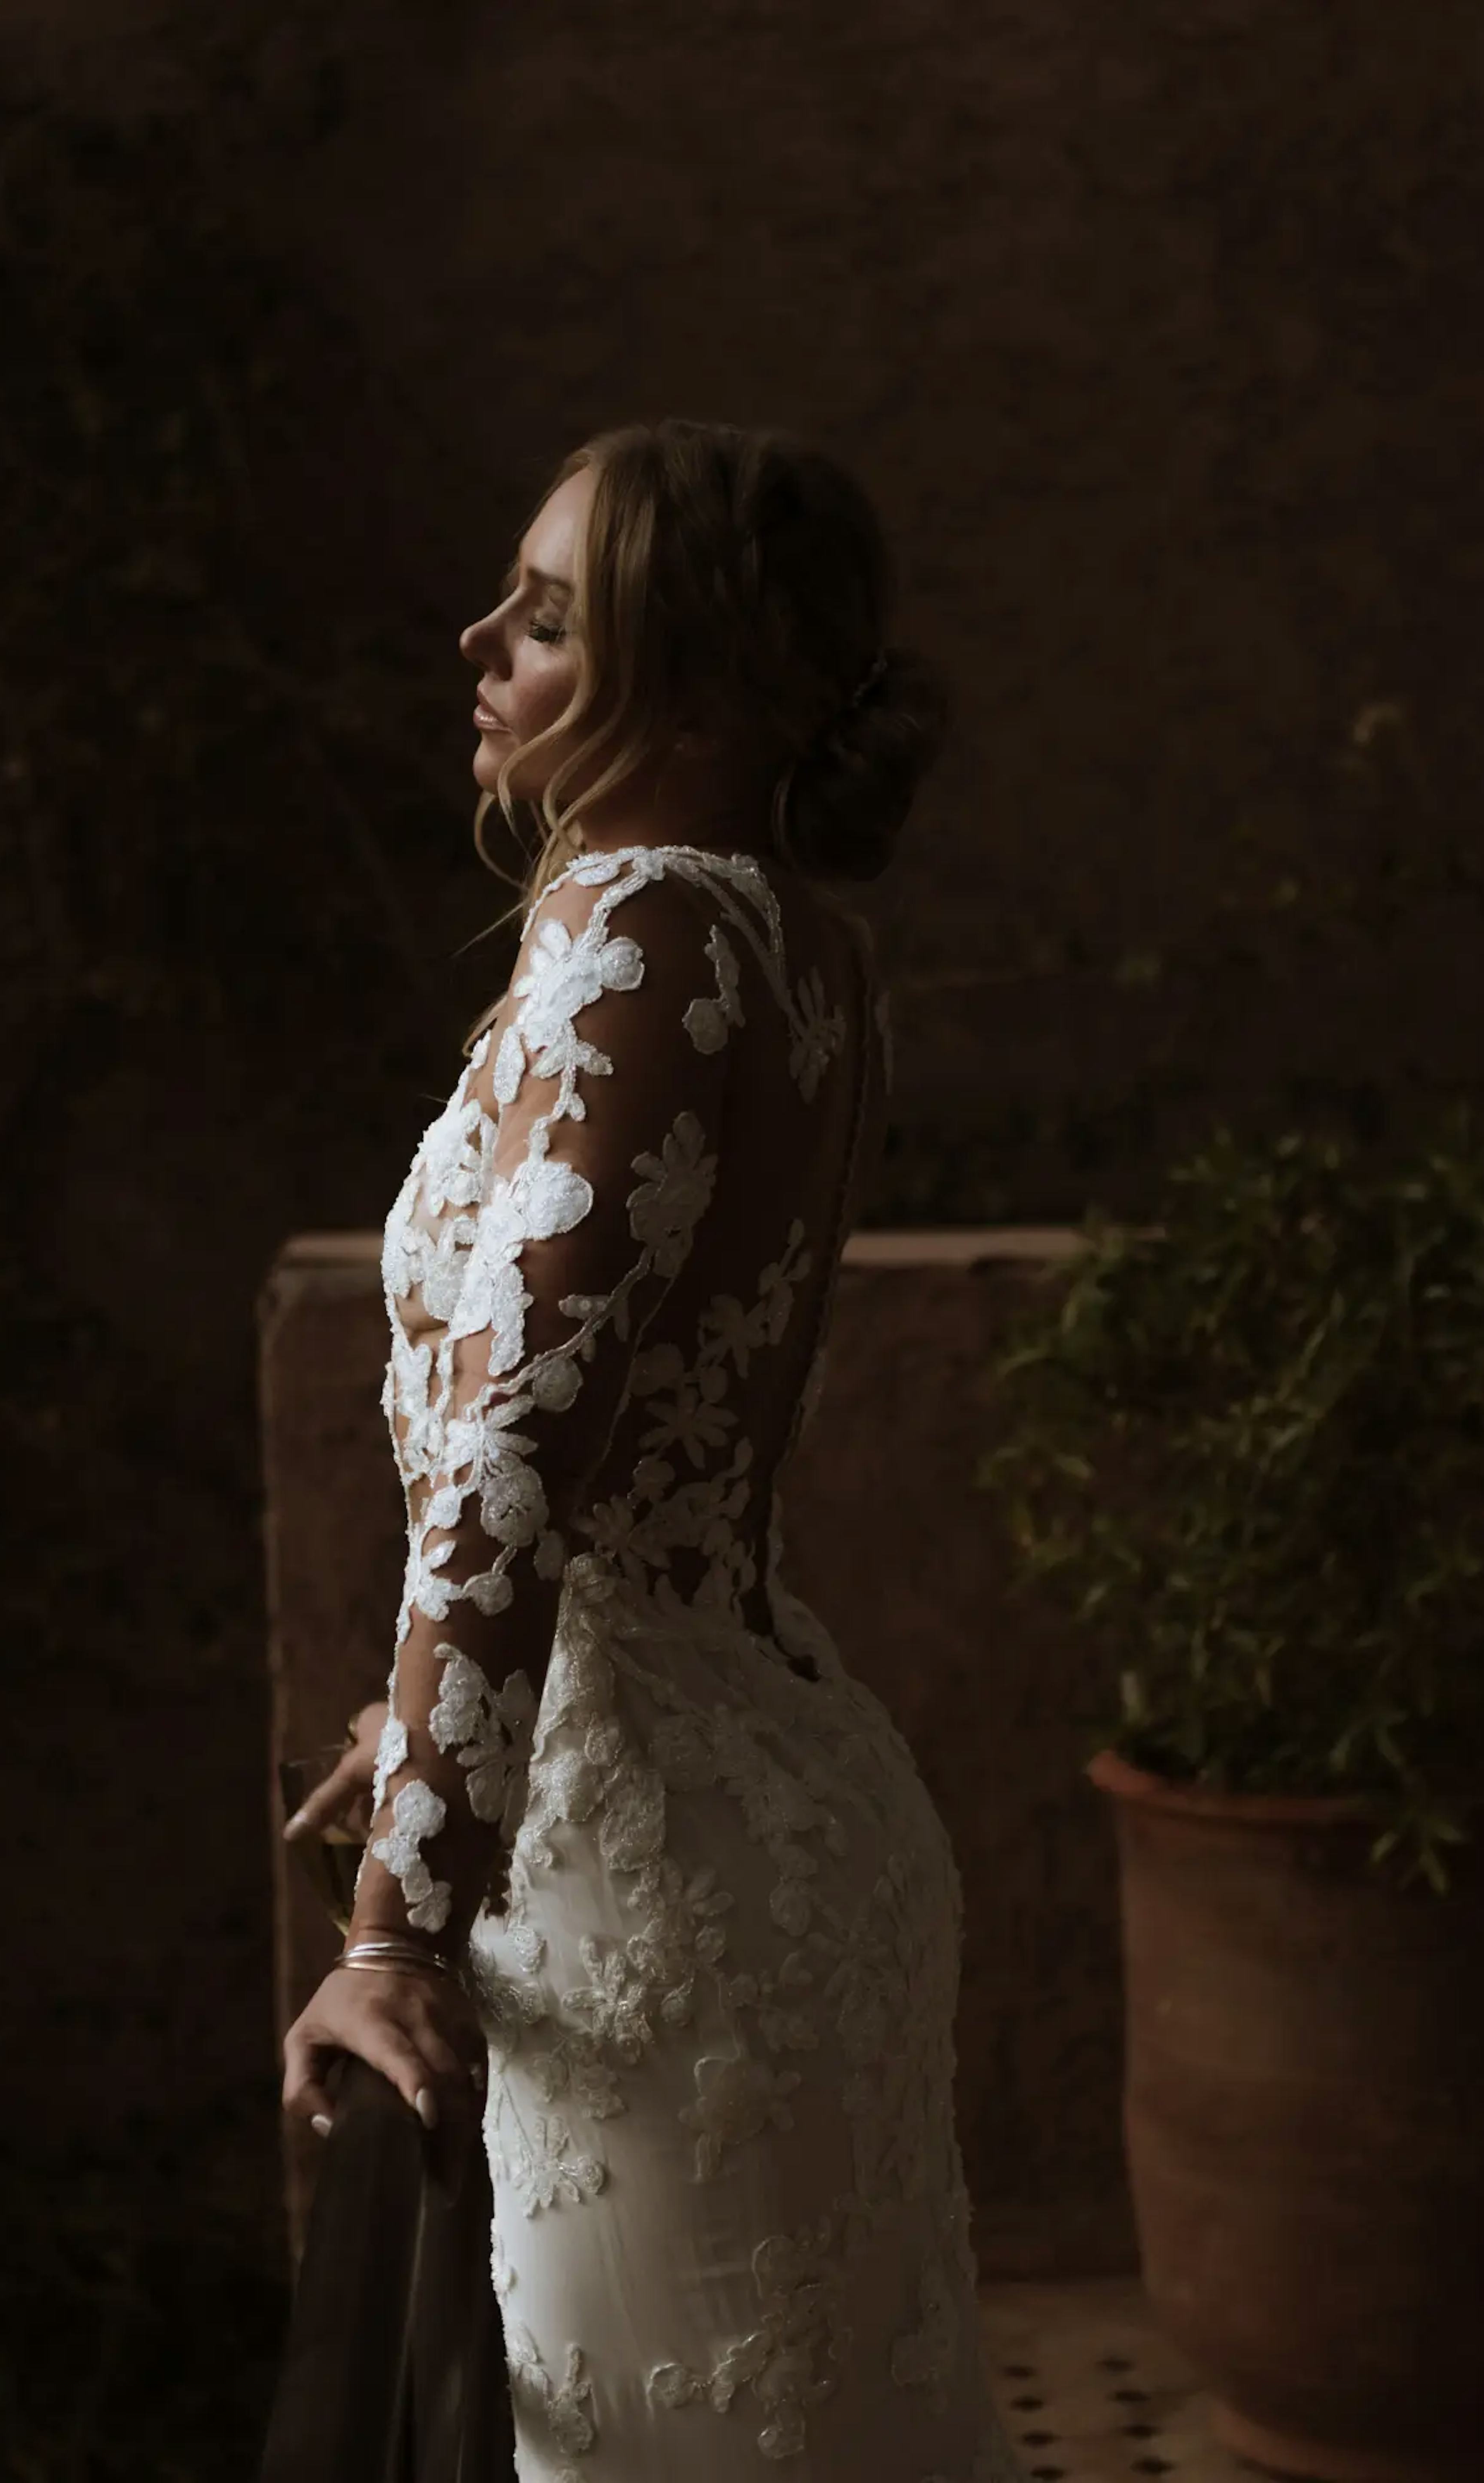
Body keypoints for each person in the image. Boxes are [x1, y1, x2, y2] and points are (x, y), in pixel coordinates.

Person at [279, 418, 1024, 2481]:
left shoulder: (637, 928)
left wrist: (395, 1928)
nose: (475, 638)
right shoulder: (803, 947)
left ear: (686, 675)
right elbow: (642, 1468)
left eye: (543, 614)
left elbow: (515, 1463)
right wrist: (424, 1728)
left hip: (648, 1893)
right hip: (768, 1807)